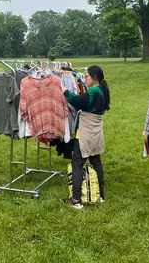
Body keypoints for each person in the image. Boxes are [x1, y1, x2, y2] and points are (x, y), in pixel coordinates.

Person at [62, 65, 110, 209]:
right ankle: (101, 195)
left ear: (94, 77)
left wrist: (65, 91)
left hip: (85, 133)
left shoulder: (94, 91)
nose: (84, 78)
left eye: (87, 76)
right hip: (96, 134)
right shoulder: (101, 90)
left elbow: (77, 102)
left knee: (77, 163)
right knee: (96, 162)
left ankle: (76, 200)